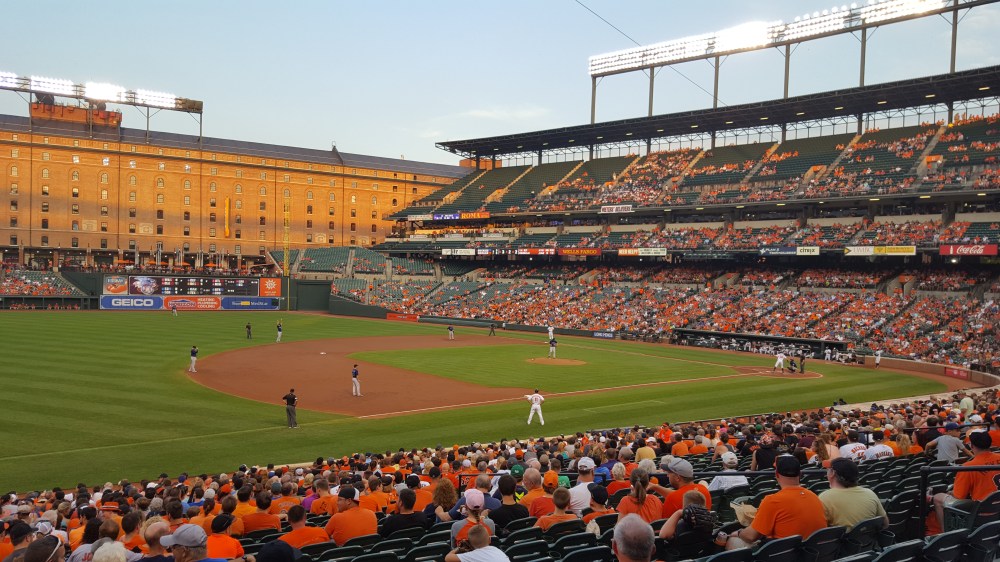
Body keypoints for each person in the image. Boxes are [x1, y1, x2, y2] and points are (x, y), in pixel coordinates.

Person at [721, 456, 826, 550]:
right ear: (800, 474)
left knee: (734, 541)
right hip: (812, 553)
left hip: (784, 554)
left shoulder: (772, 501)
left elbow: (750, 536)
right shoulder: (814, 497)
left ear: (776, 474)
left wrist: (739, 533)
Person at [929, 430, 1000, 534]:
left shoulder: (968, 467)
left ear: (972, 446)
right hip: (997, 508)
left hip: (981, 512)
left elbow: (959, 496)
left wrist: (949, 492)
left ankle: (946, 536)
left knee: (938, 498)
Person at [818, 458, 888, 530]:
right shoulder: (870, 493)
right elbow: (885, 523)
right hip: (869, 537)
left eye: (828, 470)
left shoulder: (824, 497)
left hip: (839, 537)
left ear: (832, 473)